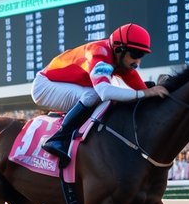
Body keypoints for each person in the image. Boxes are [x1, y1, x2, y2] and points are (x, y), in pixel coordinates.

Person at [31, 22, 169, 165]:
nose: (137, 62)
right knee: (96, 94)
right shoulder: (99, 52)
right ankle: (57, 138)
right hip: (44, 86)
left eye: (142, 55)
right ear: (119, 50)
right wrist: (145, 93)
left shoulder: (123, 65)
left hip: (64, 85)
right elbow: (104, 92)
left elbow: (143, 94)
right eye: (135, 54)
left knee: (113, 94)